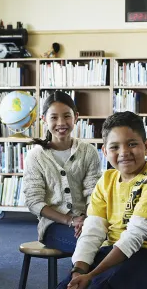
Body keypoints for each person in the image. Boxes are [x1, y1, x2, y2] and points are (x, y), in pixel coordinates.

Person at [57, 111, 147, 289]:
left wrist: (91, 275)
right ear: (104, 151)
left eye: (132, 144)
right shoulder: (106, 181)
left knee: (100, 285)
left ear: (146, 146)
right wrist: (79, 271)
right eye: (114, 147)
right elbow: (92, 231)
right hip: (111, 250)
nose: (124, 152)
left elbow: (134, 237)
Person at [23, 90, 102, 253]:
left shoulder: (88, 151)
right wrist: (70, 220)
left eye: (67, 116)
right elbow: (34, 202)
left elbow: (93, 193)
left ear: (76, 117)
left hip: (88, 221)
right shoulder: (35, 156)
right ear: (44, 119)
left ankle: (79, 277)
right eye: (54, 117)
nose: (61, 122)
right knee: (92, 248)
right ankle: (78, 278)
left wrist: (86, 220)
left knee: (113, 242)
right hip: (53, 227)